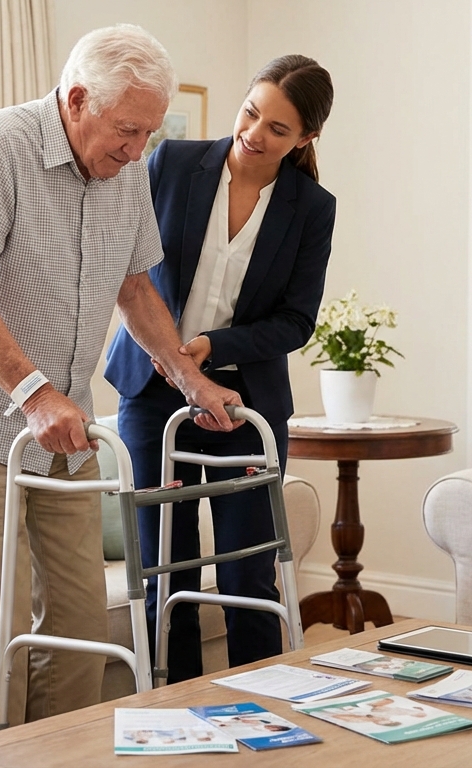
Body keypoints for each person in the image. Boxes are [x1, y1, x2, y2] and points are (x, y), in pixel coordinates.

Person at [0, 24, 243, 741]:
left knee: (85, 622)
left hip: (65, 429)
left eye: (148, 133)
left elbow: (137, 291)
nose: (136, 149)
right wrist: (32, 393)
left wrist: (190, 380)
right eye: (126, 130)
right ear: (78, 99)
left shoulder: (124, 172)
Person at [104, 54, 336, 682]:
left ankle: (262, 717)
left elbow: (296, 321)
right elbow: (127, 267)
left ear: (306, 139)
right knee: (164, 568)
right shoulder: (173, 163)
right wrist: (175, 355)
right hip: (152, 393)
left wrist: (214, 345)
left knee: (247, 574)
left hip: (247, 405)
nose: (254, 134)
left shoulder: (311, 207)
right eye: (251, 112)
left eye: (278, 130)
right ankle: (171, 718)